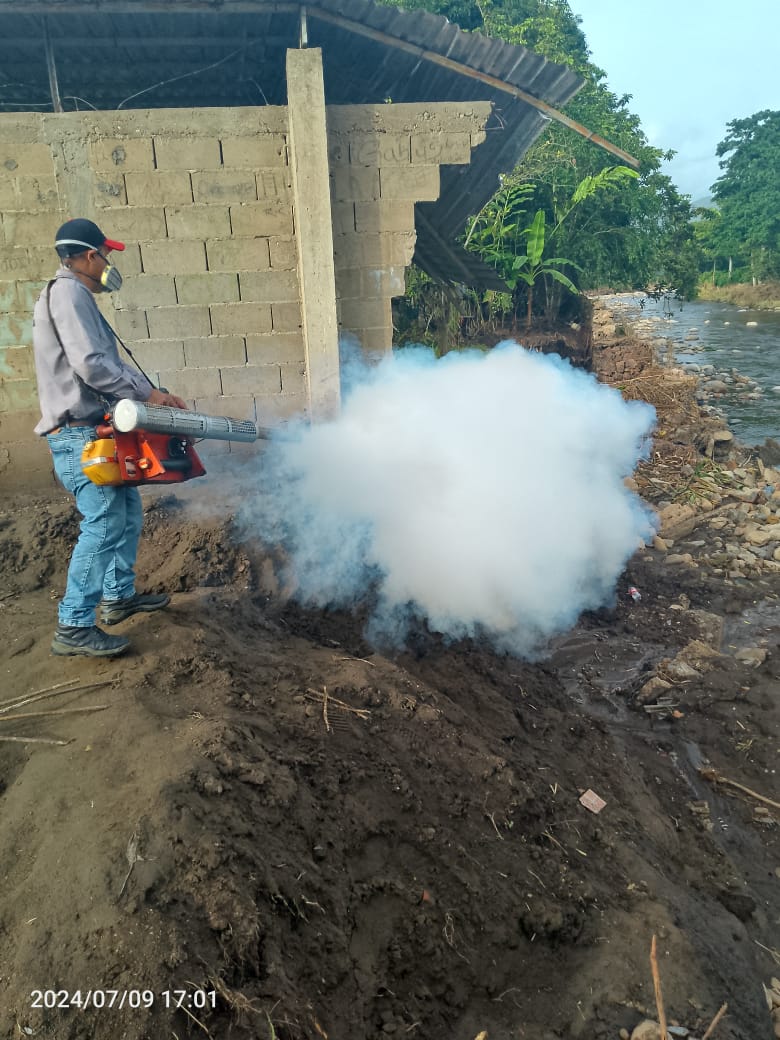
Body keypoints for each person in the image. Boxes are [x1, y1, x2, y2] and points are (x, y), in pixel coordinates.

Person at [32, 217, 188, 658]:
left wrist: (152, 395)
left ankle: (117, 597)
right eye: (105, 255)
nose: (109, 263)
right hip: (78, 436)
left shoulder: (75, 295)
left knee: (126, 512)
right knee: (102, 523)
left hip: (93, 431)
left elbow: (103, 364)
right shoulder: (68, 294)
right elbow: (92, 365)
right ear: (86, 256)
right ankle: (74, 625)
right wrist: (150, 394)